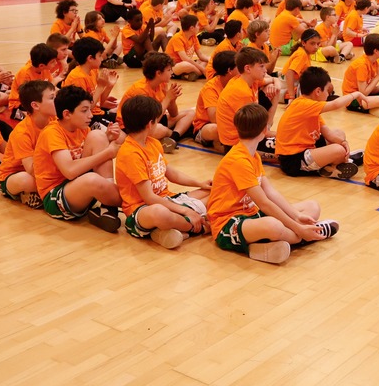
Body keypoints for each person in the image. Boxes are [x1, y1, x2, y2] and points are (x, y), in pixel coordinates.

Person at [208, 103, 339, 264]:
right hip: (227, 223)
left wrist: (296, 215)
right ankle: (303, 237)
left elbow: (270, 192)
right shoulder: (238, 160)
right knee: (274, 226)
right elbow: (264, 203)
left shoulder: (253, 155)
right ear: (265, 131)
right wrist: (298, 228)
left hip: (251, 215)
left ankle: (271, 244)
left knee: (312, 207)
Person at [115, 95, 212, 248]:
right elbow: (149, 198)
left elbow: (171, 173)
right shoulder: (130, 153)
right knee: (159, 213)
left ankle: (172, 230)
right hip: (142, 210)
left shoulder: (153, 143)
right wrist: (185, 211)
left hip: (167, 199)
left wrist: (199, 183)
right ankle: (199, 226)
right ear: (150, 124)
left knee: (216, 190)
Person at [31, 85, 124, 231]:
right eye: (84, 110)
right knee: (92, 179)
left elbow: (86, 161)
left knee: (98, 136)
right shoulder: (52, 133)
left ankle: (108, 208)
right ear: (67, 114)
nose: (90, 115)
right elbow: (70, 171)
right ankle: (138, 205)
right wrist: (108, 153)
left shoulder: (82, 128)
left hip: (78, 186)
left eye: (90, 110)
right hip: (57, 196)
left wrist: (107, 139)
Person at [0, 79, 56, 209]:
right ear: (35, 105)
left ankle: (40, 192)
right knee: (25, 179)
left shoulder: (55, 120)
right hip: (15, 174)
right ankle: (28, 192)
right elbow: (31, 169)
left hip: (45, 170)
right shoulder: (22, 132)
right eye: (52, 98)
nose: (57, 101)